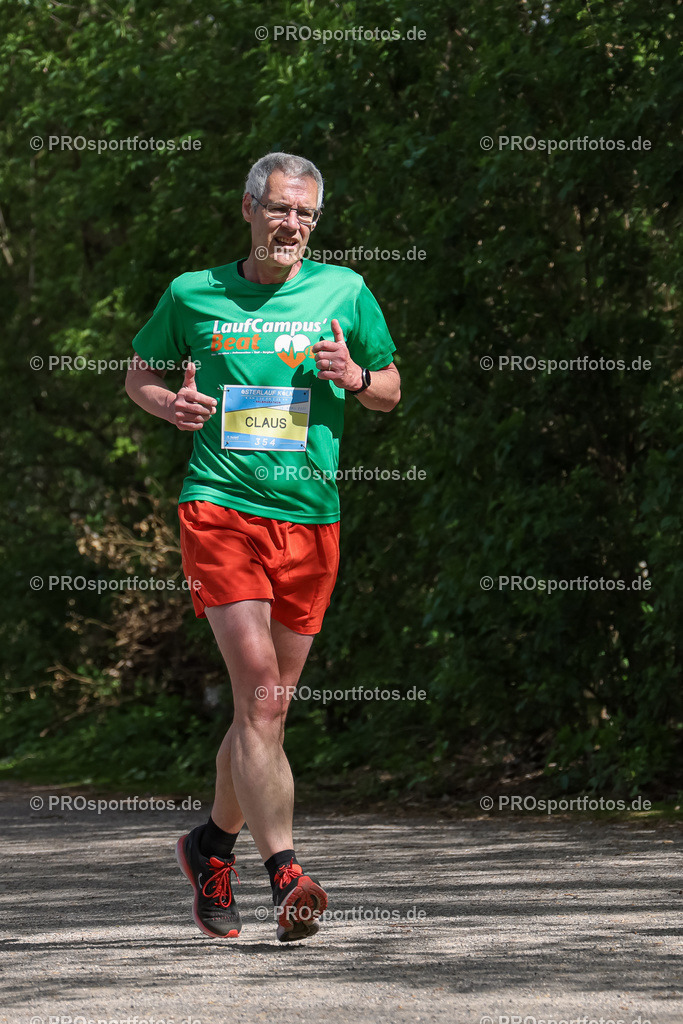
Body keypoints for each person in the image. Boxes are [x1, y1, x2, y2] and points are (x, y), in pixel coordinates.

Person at [124, 152, 400, 942]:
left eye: (306, 215)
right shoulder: (192, 292)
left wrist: (352, 376)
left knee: (265, 712)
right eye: (280, 210)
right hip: (220, 509)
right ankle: (286, 871)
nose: (292, 226)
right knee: (257, 689)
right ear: (248, 208)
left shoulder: (343, 290)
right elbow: (139, 374)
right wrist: (167, 404)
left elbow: (390, 388)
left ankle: (210, 845)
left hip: (310, 517)